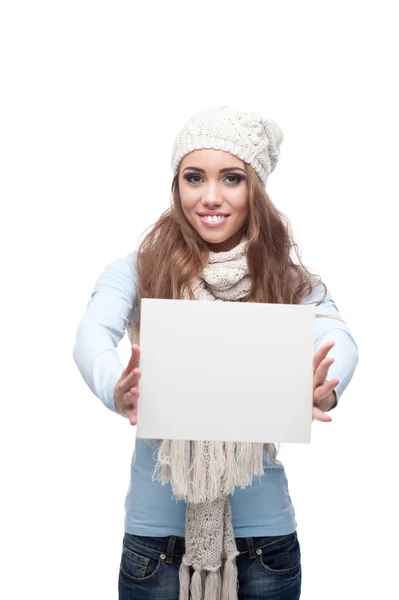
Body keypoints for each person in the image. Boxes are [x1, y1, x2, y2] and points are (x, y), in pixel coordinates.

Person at [72, 105, 359, 600]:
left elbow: (336, 337)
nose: (210, 197)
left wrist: (325, 388)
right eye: (193, 177)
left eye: (231, 178)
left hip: (264, 545)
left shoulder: (286, 279)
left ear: (256, 190)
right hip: (155, 546)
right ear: (176, 184)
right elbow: (91, 334)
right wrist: (115, 388)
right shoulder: (139, 268)